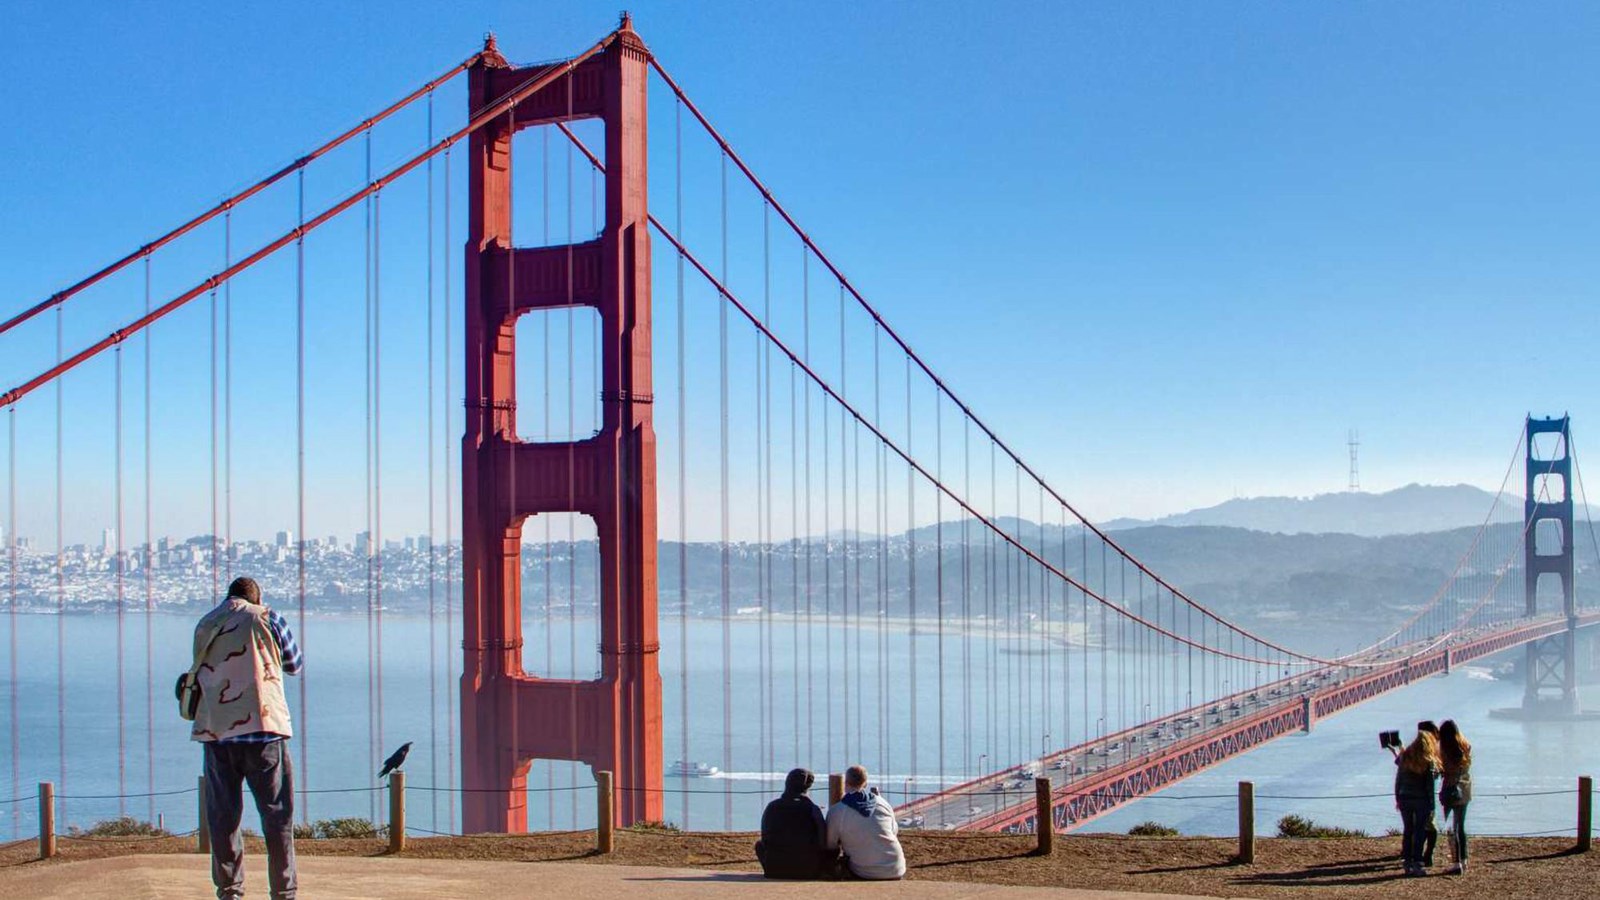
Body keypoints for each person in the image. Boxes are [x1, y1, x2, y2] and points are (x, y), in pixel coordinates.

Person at [190, 577, 302, 900]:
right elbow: (295, 663)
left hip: (217, 732)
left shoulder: (205, 624)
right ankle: (284, 892)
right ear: (256, 597)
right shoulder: (267, 616)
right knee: (277, 816)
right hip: (264, 730)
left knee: (223, 818)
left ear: (229, 597)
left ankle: (230, 892)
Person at [825, 766, 906, 880]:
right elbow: (893, 831)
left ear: (846, 783)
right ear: (866, 783)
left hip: (864, 872)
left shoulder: (837, 811)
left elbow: (830, 845)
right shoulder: (883, 803)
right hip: (895, 868)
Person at [755, 768, 829, 879]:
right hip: (808, 869)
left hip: (775, 868)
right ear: (808, 787)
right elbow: (823, 841)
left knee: (759, 845)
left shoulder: (772, 807)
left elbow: (765, 838)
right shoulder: (812, 809)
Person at [1392, 729, 1441, 878]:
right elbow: (1430, 786)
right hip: (1421, 800)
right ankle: (1418, 863)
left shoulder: (1405, 756)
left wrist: (1398, 799)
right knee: (1419, 831)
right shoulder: (1428, 760)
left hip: (1405, 797)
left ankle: (1407, 862)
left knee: (1408, 830)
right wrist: (1432, 806)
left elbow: (1398, 780)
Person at [1437, 720, 1473, 875]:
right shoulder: (1466, 746)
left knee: (1451, 829)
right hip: (1465, 788)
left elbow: (1443, 770)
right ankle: (1464, 860)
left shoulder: (1445, 750)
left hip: (1450, 790)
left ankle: (1456, 863)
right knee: (1461, 827)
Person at [1415, 720, 1440, 868]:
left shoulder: (1417, 750)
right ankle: (1427, 855)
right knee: (1430, 827)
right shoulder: (1430, 751)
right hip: (1426, 796)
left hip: (1415, 795)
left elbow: (1402, 763)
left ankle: (1420, 855)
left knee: (1419, 827)